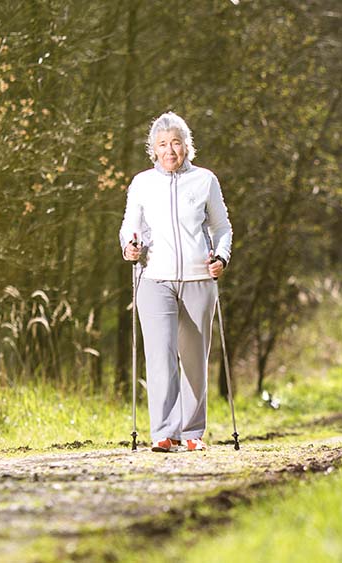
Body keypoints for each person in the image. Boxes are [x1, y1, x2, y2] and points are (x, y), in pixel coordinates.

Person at [118, 111, 232, 452]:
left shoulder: (205, 180)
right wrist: (129, 245)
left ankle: (192, 431)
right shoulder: (142, 183)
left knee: (195, 358)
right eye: (163, 144)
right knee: (160, 356)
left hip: (199, 278)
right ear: (153, 150)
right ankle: (164, 433)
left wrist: (221, 257)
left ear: (187, 146)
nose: (170, 150)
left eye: (177, 143)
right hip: (154, 279)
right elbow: (129, 225)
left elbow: (222, 227)